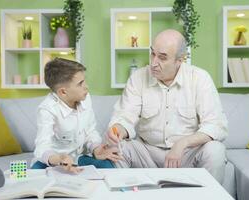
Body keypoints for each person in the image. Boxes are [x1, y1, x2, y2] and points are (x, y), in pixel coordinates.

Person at [106, 29, 228, 183]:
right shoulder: (138, 78)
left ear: (180, 60)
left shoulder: (200, 78)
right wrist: (118, 130)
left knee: (215, 150)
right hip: (147, 153)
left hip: (186, 154)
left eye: (162, 58)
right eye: (152, 54)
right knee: (118, 148)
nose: (153, 63)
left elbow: (216, 126)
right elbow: (125, 117)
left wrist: (182, 144)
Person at [32, 58, 121, 172]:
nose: (86, 87)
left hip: (77, 158)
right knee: (34, 174)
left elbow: (90, 131)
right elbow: (42, 146)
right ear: (63, 92)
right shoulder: (47, 109)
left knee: (107, 165)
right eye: (80, 84)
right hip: (53, 161)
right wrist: (58, 159)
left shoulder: (85, 98)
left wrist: (96, 148)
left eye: (84, 81)